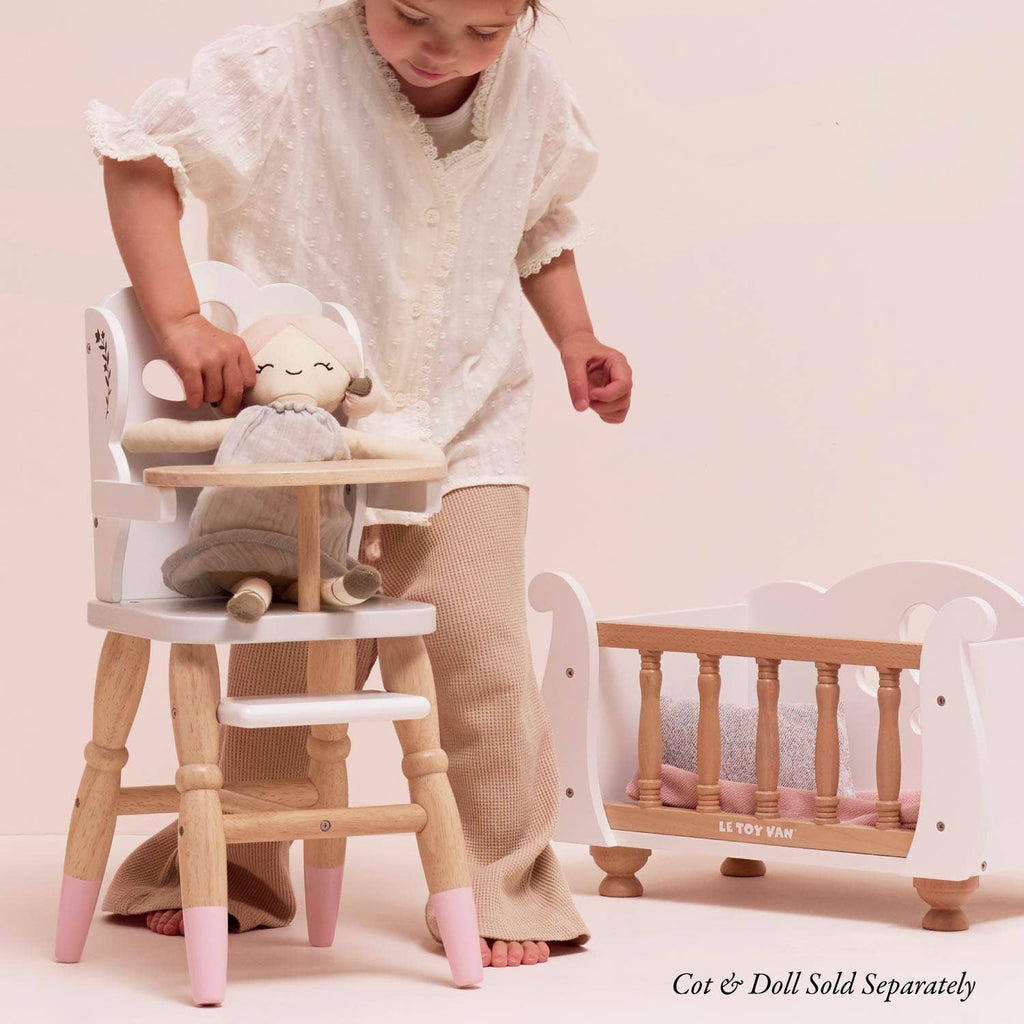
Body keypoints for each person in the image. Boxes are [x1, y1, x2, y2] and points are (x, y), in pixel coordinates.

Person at [86, 0, 632, 970]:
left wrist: (577, 338)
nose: (443, 52)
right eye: (413, 17)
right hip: (302, 432)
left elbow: (539, 220)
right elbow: (140, 156)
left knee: (482, 650)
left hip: (466, 425)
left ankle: (500, 876)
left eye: (483, 32)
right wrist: (179, 319)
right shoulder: (279, 73)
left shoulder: (536, 97)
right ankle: (239, 862)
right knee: (286, 658)